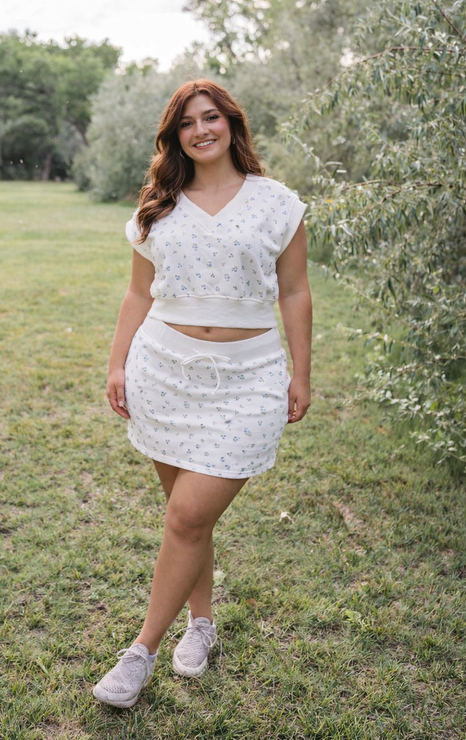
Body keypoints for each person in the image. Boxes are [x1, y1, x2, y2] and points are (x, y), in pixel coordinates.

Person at [93, 79, 312, 708]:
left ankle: (140, 653)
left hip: (248, 380)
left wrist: (301, 372)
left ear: (232, 125)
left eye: (211, 117)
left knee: (188, 516)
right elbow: (139, 294)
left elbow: (294, 292)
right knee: (192, 517)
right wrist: (117, 365)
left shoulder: (276, 204)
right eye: (187, 123)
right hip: (162, 373)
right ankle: (203, 624)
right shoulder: (157, 207)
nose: (201, 130)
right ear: (175, 136)